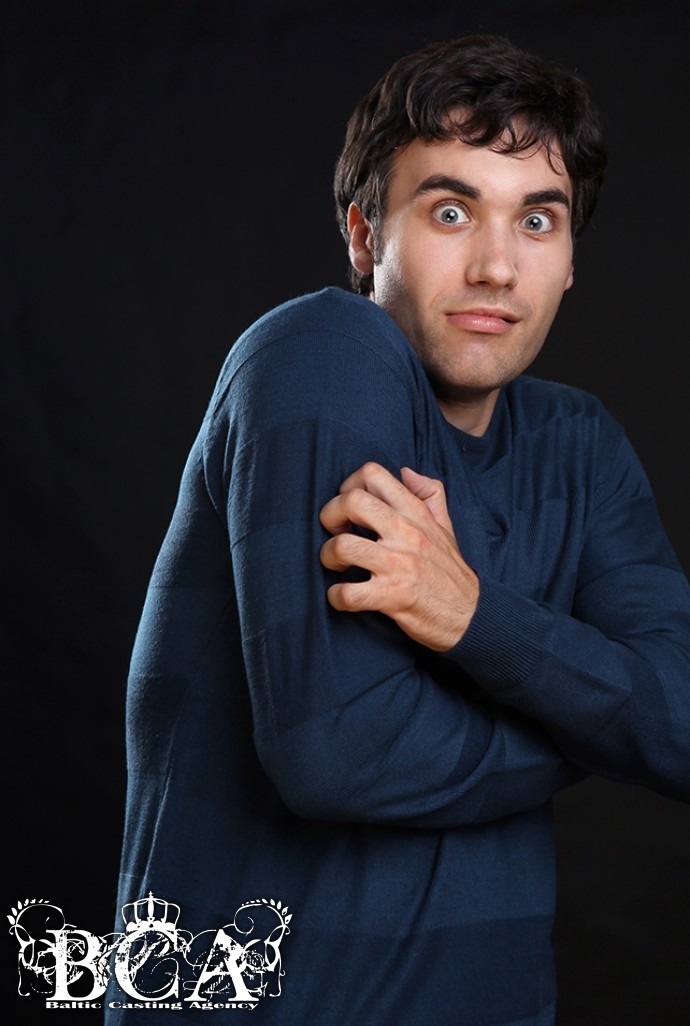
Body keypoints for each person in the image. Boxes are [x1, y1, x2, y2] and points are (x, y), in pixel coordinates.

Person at [105, 35, 690, 1025]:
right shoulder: (323, 351)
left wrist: (475, 617)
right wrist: (600, 726)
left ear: (569, 262)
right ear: (364, 236)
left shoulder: (580, 445)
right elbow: (338, 754)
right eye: (450, 211)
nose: (496, 266)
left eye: (537, 220)